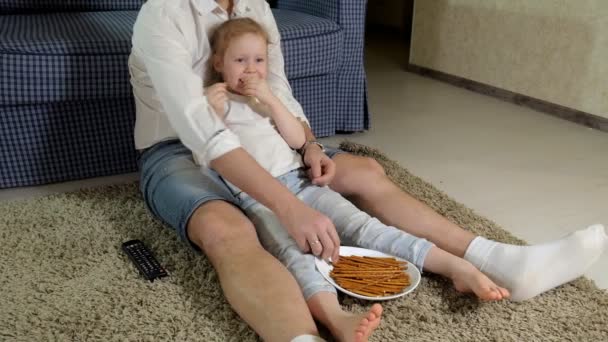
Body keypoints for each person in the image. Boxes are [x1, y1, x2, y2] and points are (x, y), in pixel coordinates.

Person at [129, 1, 608, 341]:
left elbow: (280, 94)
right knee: (228, 229)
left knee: (362, 172)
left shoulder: (255, 7)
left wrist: (311, 146)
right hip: (178, 150)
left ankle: (499, 260)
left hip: (266, 142)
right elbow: (203, 133)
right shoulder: (164, 13)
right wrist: (289, 206)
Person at [203, 17, 515, 341]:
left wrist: (270, 99)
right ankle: (336, 317)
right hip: (256, 197)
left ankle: (453, 266)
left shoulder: (265, 100)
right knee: (295, 253)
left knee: (363, 226)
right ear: (218, 63)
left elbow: (297, 139)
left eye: (259, 60)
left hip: (299, 180)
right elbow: (210, 158)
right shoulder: (214, 103)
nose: (250, 70)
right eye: (240, 61)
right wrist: (209, 115)